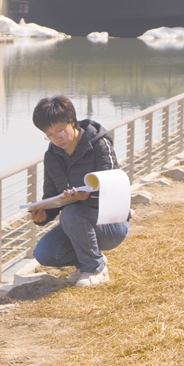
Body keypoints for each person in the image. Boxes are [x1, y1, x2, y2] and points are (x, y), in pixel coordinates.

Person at [29, 95, 129, 287]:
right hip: (76, 223)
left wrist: (88, 196)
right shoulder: (52, 156)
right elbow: (51, 197)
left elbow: (114, 188)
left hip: (112, 223)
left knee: (71, 212)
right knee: (44, 252)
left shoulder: (99, 144)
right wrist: (42, 216)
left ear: (73, 122)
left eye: (60, 131)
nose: (56, 138)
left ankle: (95, 268)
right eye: (49, 135)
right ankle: (89, 260)